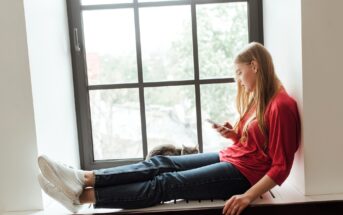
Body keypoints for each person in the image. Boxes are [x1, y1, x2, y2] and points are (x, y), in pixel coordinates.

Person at [37, 42, 301, 215]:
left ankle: (81, 198)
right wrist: (233, 134)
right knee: (163, 162)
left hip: (244, 175)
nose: (239, 81)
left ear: (254, 66)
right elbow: (254, 142)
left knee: (167, 184)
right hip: (232, 157)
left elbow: (280, 166)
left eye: (240, 73)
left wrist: (246, 197)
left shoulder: (282, 106)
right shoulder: (260, 100)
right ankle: (83, 178)